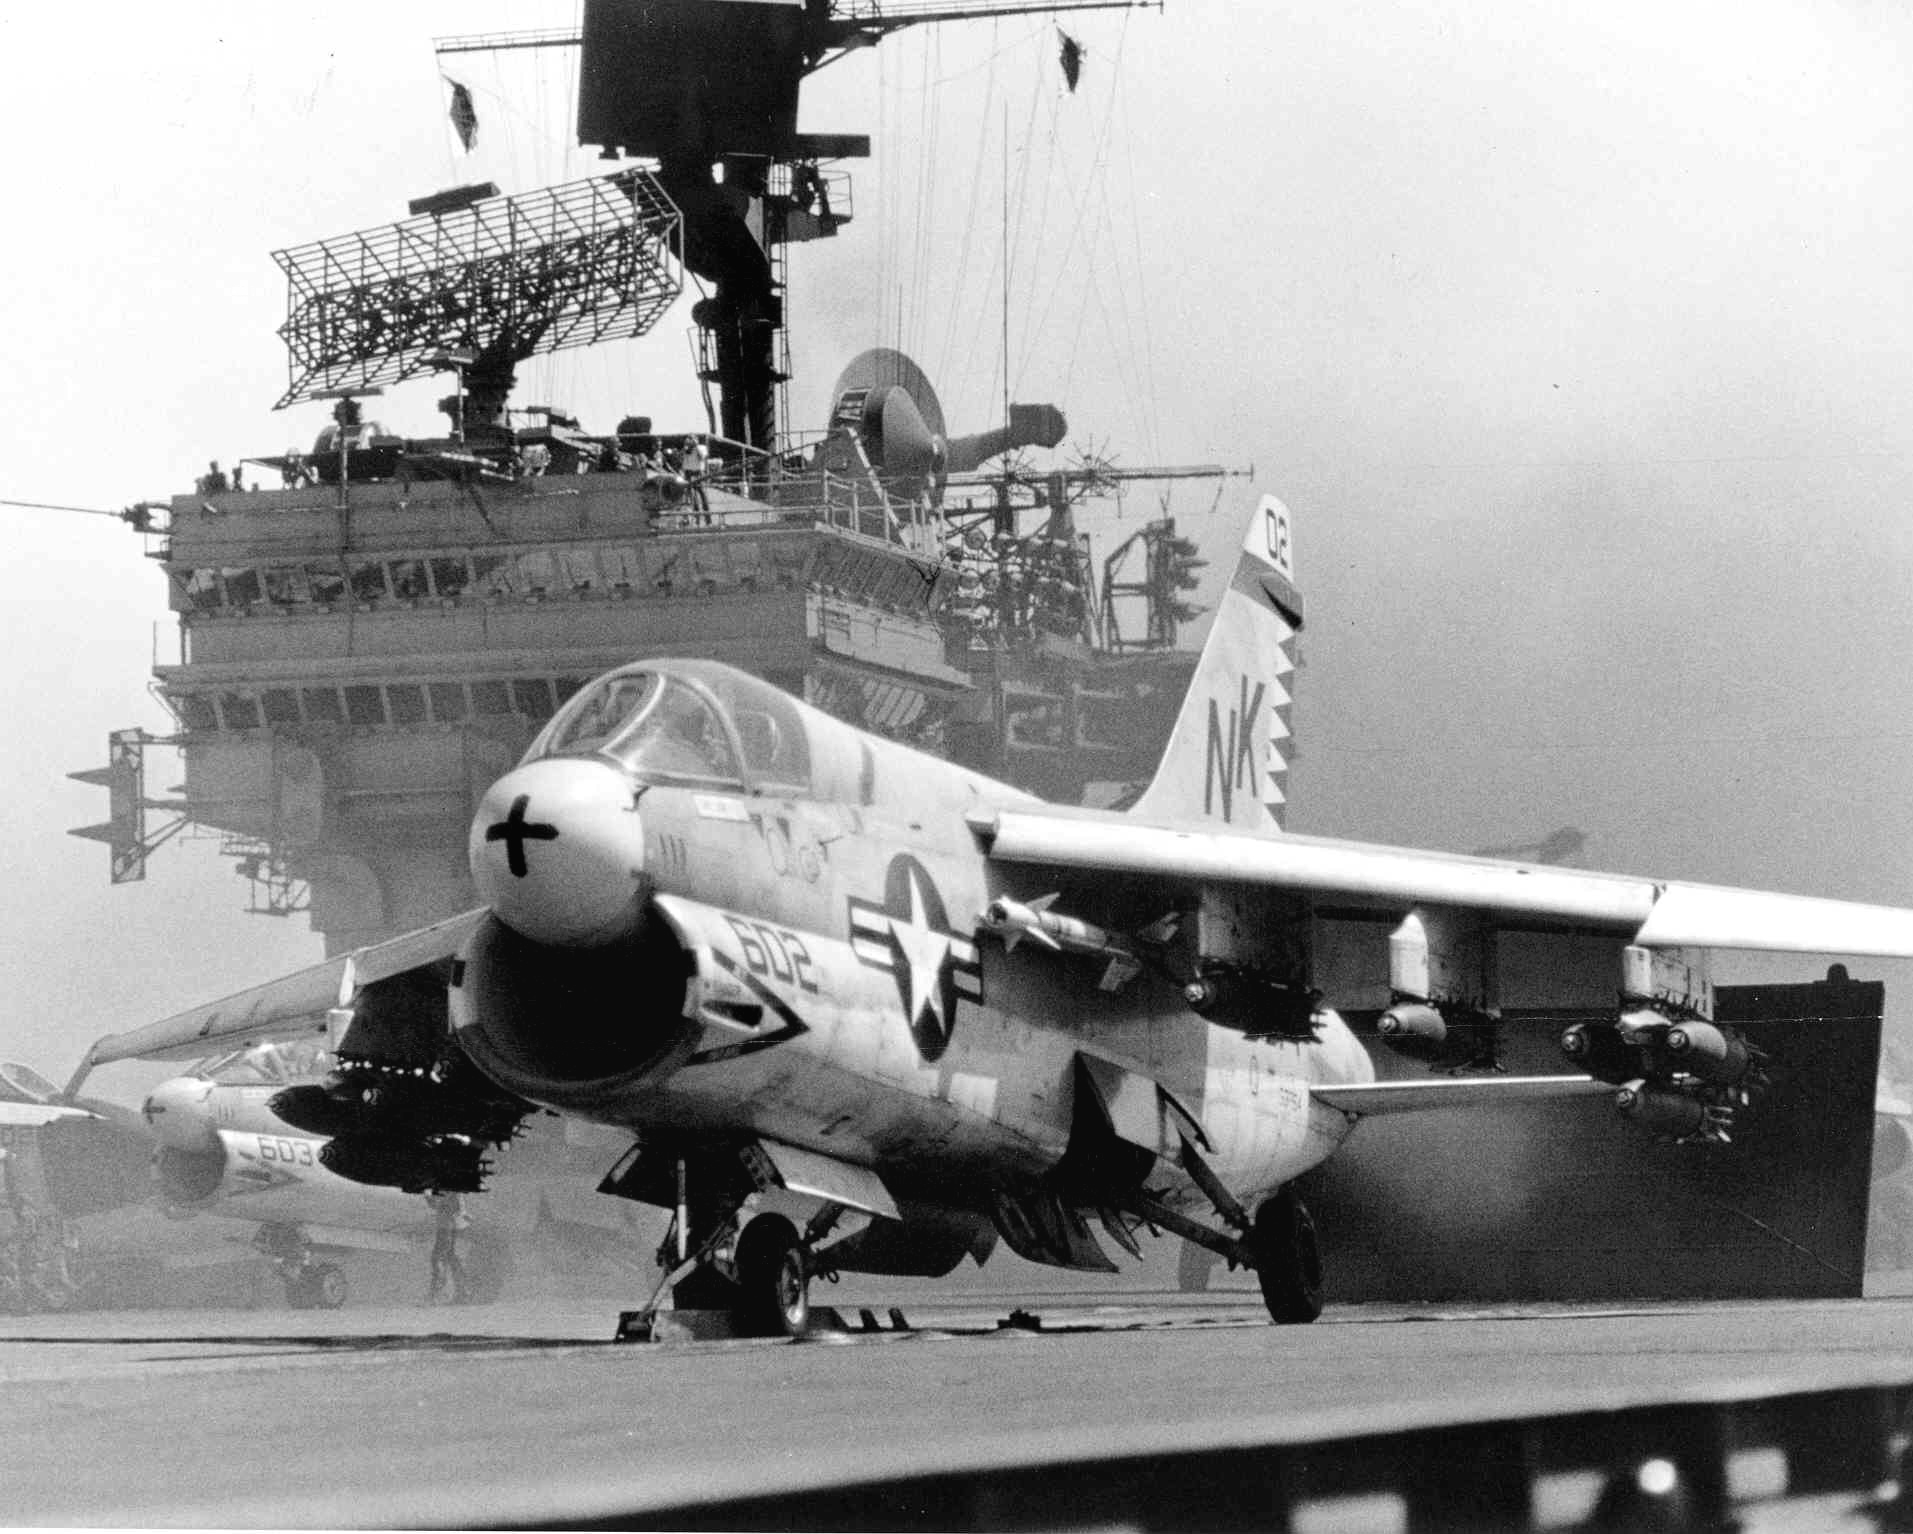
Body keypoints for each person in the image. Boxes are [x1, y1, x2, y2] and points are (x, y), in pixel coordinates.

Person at [425, 1190, 470, 1303]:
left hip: (446, 1226)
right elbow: (439, 1204)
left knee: (438, 1257)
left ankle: (437, 1294)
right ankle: (462, 1291)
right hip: (448, 1225)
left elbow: (441, 1205)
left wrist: (428, 1196)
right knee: (449, 1256)